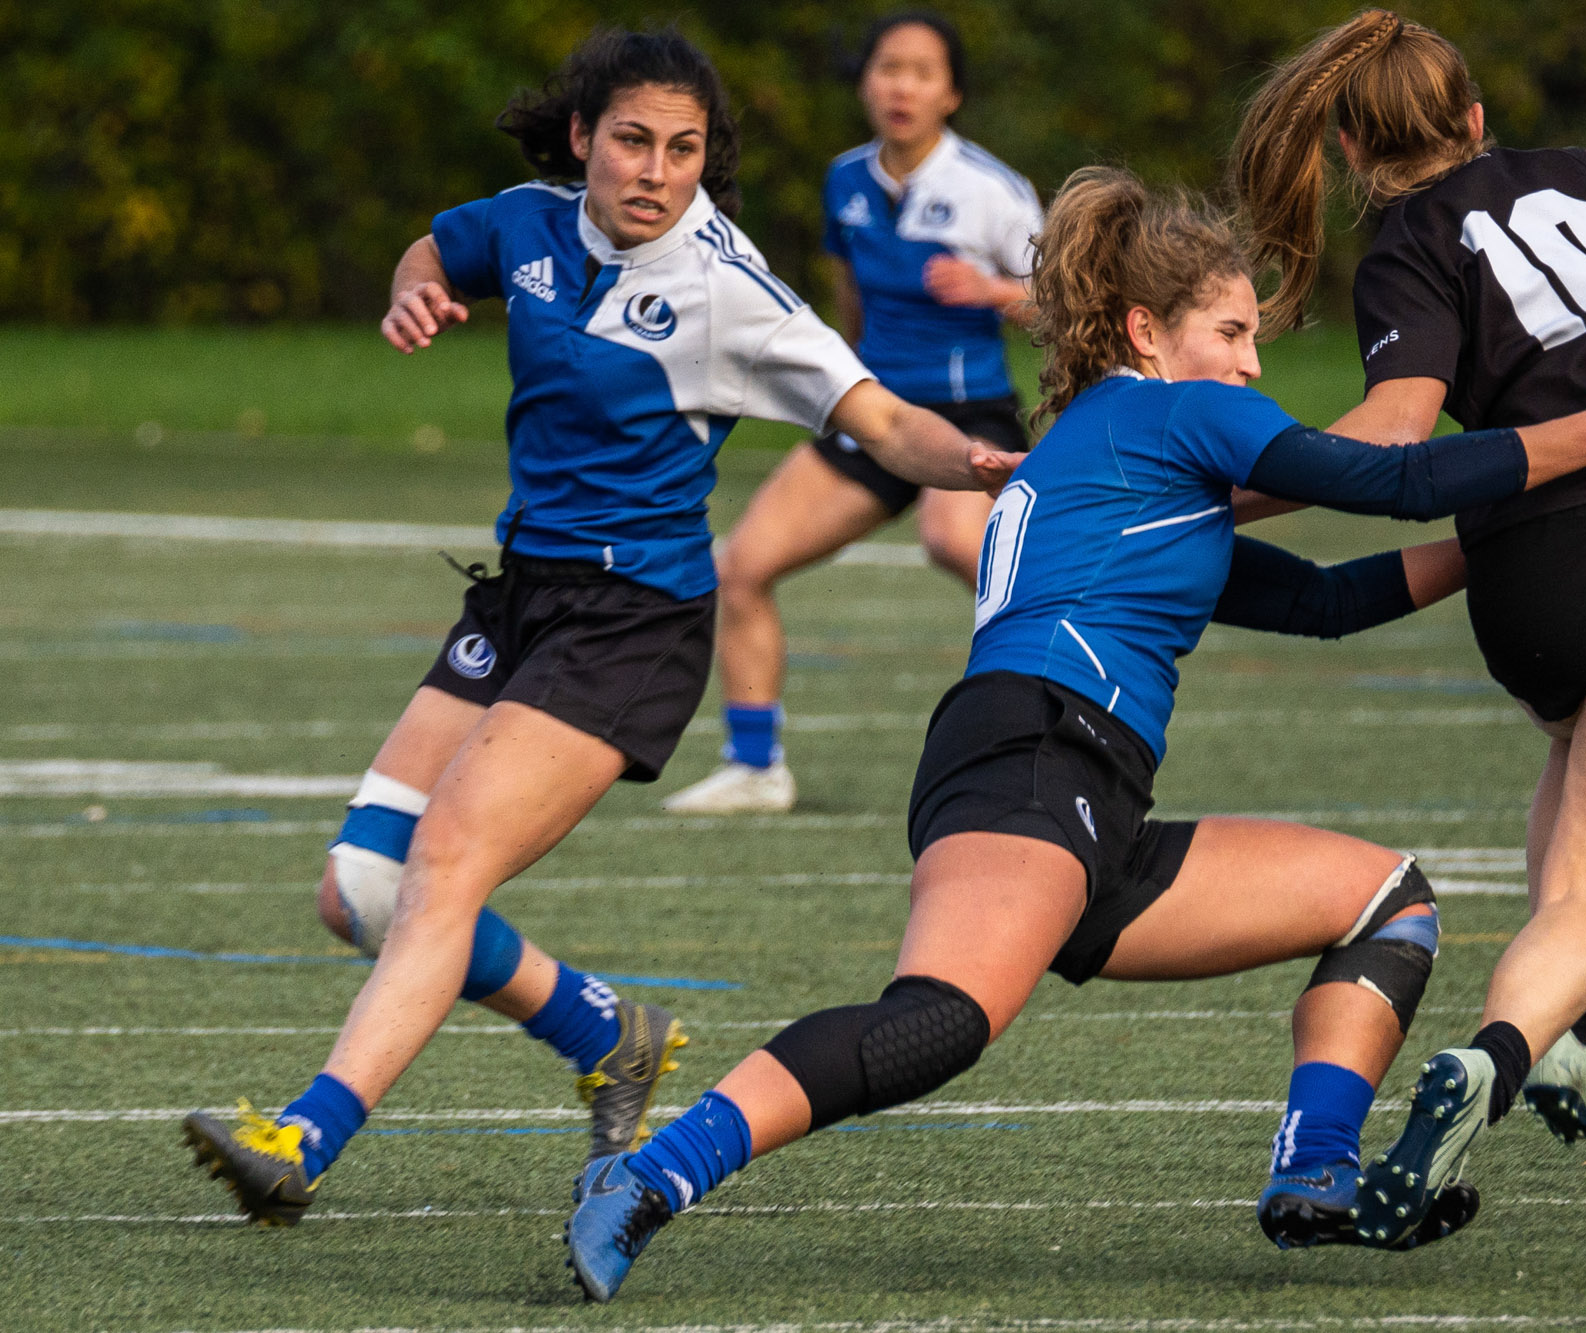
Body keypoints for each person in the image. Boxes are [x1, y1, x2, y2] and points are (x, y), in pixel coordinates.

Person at [559, 165, 1586, 1302]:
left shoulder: (1124, 462)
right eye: (1233, 332)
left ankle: (1314, 1172)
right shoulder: (1163, 411)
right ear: (1147, 332)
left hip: (1079, 781)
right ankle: (649, 1172)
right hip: (1039, 749)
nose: (1251, 365)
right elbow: (1373, 476)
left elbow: (1321, 599)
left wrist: (1502, 540)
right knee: (938, 1023)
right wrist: (1581, 440)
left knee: (1384, 904)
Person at [179, 24, 1018, 1227]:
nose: (654, 172)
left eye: (682, 150)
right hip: (522, 596)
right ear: (583, 139)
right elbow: (438, 244)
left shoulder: (731, 292)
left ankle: (303, 1137)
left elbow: (883, 426)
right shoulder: (527, 222)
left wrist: (981, 462)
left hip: (632, 623)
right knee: (359, 889)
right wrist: (415, 285)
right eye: (631, 140)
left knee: (443, 867)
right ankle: (606, 1032)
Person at [1228, 8, 1586, 1245]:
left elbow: (1386, 438)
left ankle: (1566, 1034)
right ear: (1475, 117)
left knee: (1570, 750)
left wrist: (1209, 481)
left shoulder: (1405, 247)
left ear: (1352, 153)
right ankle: (1503, 1045)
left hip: (1529, 570)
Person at [663, 10, 1042, 815]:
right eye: (887, 68)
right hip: (874, 414)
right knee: (742, 566)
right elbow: (847, 298)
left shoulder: (993, 192)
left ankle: (1061, 704)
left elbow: (1071, 306)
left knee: (957, 543)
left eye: (921, 71)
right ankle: (756, 765)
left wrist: (996, 291)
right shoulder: (846, 180)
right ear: (866, 82)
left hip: (969, 410)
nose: (900, 86)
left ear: (953, 94)